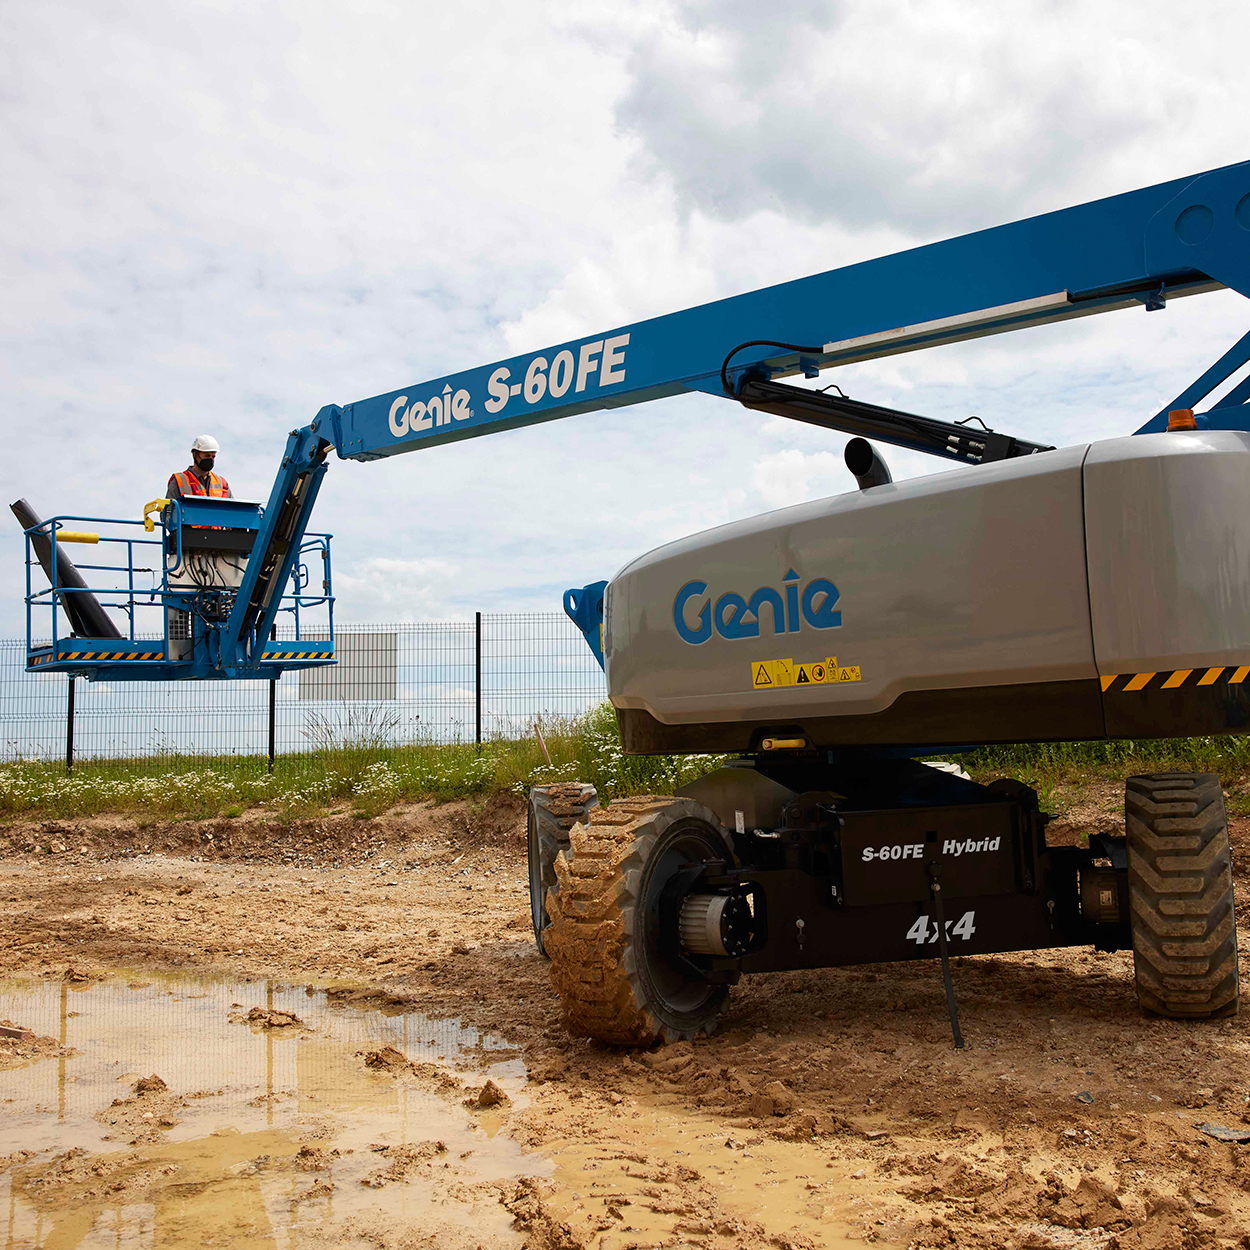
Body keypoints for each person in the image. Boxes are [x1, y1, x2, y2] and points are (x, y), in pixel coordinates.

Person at [166, 435, 232, 500]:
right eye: (207, 456)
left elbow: (232, 506)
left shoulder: (222, 483)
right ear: (195, 455)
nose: (210, 459)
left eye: (213, 456)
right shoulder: (179, 481)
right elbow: (169, 506)